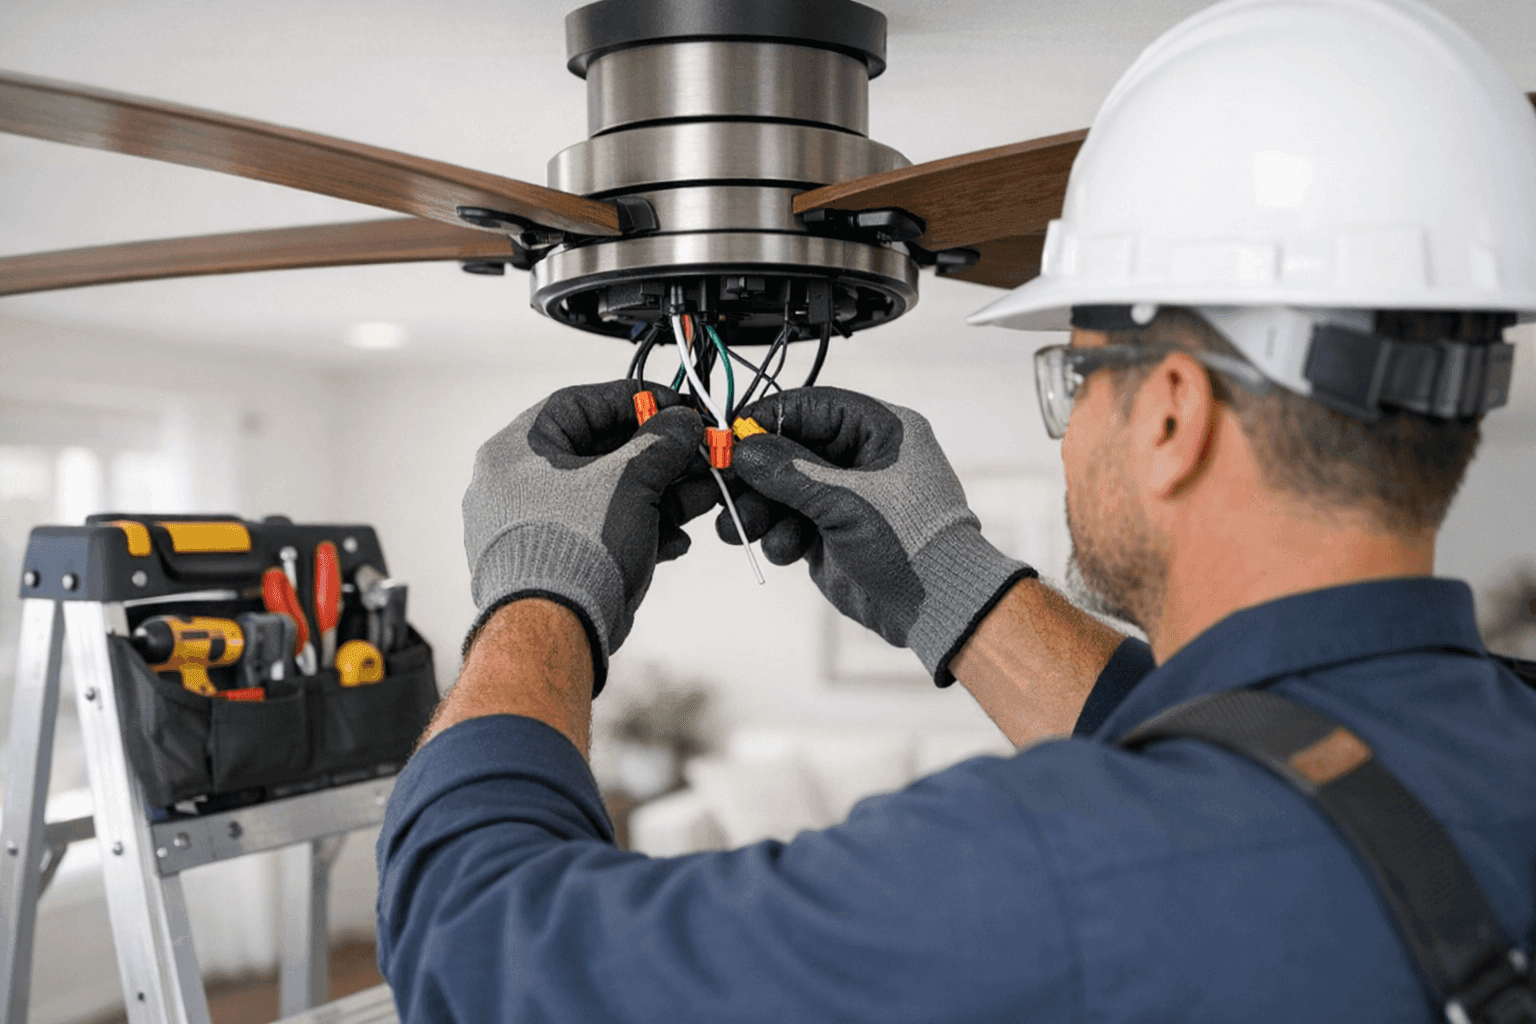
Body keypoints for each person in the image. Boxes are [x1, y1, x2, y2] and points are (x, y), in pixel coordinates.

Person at [375, 0, 1536, 1019]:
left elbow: (483, 955)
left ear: (1173, 413)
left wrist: (538, 588)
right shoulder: (1502, 736)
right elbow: (1287, 753)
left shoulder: (1051, 866)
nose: (1068, 421)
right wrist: (954, 584)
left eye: (1074, 376)